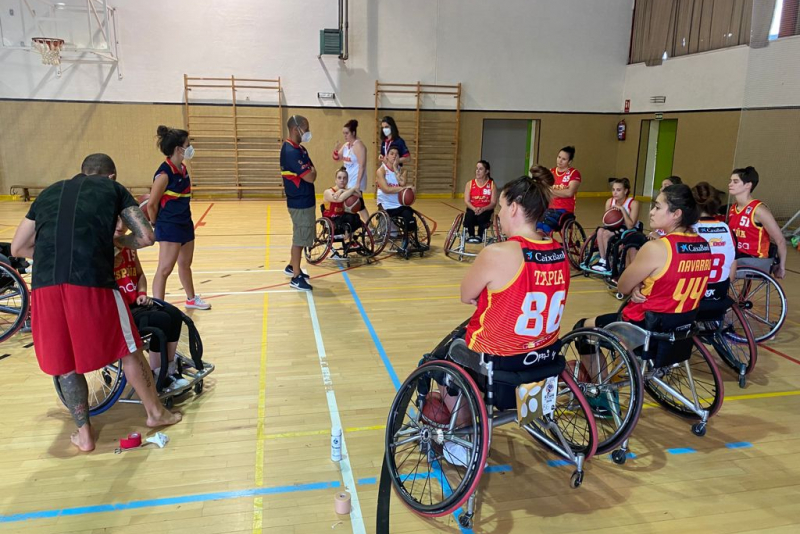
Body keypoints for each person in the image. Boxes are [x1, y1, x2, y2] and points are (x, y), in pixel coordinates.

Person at [10, 153, 181, 452]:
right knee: (128, 349)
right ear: (111, 176)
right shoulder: (113, 190)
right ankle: (156, 413)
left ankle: (85, 436)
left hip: (45, 286)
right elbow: (145, 237)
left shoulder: (49, 192)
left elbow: (19, 246)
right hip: (91, 281)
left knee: (65, 362)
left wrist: (56, 254)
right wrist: (115, 243)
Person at [446, 166, 569, 411]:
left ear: (513, 208)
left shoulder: (498, 253)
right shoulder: (560, 252)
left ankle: (458, 433)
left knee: (443, 359)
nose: (499, 215)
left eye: (501, 207)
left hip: (501, 364)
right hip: (545, 358)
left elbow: (466, 295)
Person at [579, 184, 712, 330]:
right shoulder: (704, 245)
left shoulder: (657, 248)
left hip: (647, 325)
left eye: (658, 207)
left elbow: (623, 287)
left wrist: (635, 285)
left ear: (676, 214)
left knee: (581, 327)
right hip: (683, 325)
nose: (651, 212)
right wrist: (638, 285)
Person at [114, 218, 189, 391]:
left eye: (123, 222)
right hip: (118, 311)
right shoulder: (100, 251)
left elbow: (139, 274)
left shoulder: (129, 247)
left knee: (174, 314)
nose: (120, 226)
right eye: (115, 222)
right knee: (161, 320)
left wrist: (141, 293)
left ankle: (168, 369)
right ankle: (157, 374)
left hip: (135, 304)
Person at [148, 125, 210, 310]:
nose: (190, 148)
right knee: (165, 268)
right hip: (169, 226)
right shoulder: (164, 175)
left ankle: (191, 299)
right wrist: (155, 224)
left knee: (185, 264)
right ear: (178, 149)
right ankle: (158, 306)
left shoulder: (182, 168)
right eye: (187, 145)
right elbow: (152, 204)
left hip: (185, 223)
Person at [727, 166, 786, 279]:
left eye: (735, 181)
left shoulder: (759, 210)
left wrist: (781, 267)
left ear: (748, 185)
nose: (730, 184)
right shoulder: (733, 208)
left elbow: (780, 240)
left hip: (753, 258)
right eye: (730, 181)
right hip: (738, 254)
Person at [280, 115, 317, 291]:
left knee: (302, 236)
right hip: (299, 202)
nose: (308, 132)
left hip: (306, 200)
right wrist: (312, 171)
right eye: (306, 128)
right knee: (299, 238)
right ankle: (295, 277)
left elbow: (312, 171)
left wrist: (312, 170)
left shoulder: (300, 149)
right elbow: (310, 175)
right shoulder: (290, 152)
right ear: (296, 129)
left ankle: (291, 266)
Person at [692, 182, 737, 302]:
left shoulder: (689, 229)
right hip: (719, 293)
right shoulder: (727, 229)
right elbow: (732, 268)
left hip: (692, 295)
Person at [591, 178, 642, 273]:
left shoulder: (633, 203)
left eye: (618, 190)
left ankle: (609, 261)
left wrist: (622, 210)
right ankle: (603, 260)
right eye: (613, 190)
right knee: (600, 231)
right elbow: (607, 221)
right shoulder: (609, 201)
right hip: (616, 226)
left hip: (629, 229)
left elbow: (631, 225)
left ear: (626, 191)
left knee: (606, 234)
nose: (615, 192)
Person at [377, 144, 416, 249]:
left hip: (399, 204)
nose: (394, 156)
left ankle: (407, 238)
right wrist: (403, 189)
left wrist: (410, 191)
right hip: (386, 204)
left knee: (410, 218)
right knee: (393, 232)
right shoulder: (381, 171)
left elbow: (402, 183)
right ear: (387, 156)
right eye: (392, 154)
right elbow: (386, 189)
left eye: (396, 154)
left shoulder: (403, 171)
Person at [332, 119, 369, 223]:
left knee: (356, 205)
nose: (345, 135)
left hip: (356, 179)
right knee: (358, 206)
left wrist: (357, 184)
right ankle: (369, 228)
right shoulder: (346, 145)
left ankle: (369, 228)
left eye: (347, 133)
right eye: (343, 133)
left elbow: (362, 165)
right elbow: (336, 158)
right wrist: (335, 150)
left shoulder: (359, 146)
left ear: (353, 132)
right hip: (347, 179)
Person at [539, 146, 581, 235]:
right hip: (549, 209)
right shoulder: (550, 172)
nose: (560, 161)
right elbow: (543, 189)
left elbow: (569, 193)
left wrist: (550, 191)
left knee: (545, 223)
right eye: (559, 157)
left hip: (565, 211)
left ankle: (545, 244)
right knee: (534, 219)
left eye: (564, 159)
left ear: (569, 161)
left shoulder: (574, 173)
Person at [322, 167, 361, 258]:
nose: (342, 180)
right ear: (335, 180)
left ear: (347, 180)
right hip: (331, 220)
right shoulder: (328, 192)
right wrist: (351, 190)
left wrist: (343, 190)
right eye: (339, 178)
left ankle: (350, 239)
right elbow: (339, 199)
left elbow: (359, 195)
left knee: (356, 217)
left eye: (344, 178)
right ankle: (348, 239)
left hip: (342, 218)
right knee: (348, 218)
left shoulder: (345, 191)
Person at [463, 160, 497, 243]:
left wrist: (483, 209)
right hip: (473, 208)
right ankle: (471, 235)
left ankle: (480, 235)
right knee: (470, 215)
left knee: (483, 216)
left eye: (481, 169)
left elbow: (493, 203)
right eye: (477, 168)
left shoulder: (492, 185)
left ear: (487, 171)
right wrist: (474, 209)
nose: (477, 171)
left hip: (486, 209)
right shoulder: (469, 184)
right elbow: (466, 201)